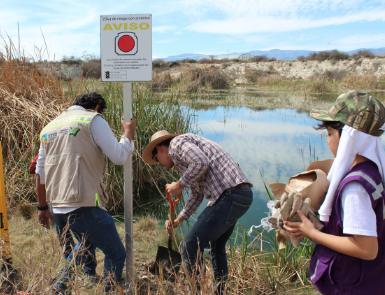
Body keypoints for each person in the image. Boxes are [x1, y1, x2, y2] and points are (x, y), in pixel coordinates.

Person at [284, 90, 385, 294]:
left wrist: (312, 233)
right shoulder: (371, 172)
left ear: (349, 137)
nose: (327, 140)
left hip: (351, 284)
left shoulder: (355, 187)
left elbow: (367, 249)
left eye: (330, 134)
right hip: (369, 279)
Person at [36, 92, 136, 294]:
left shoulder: (49, 127)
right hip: (83, 205)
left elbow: (40, 173)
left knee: (83, 245)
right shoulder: (93, 120)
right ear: (97, 107)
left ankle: (59, 288)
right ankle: (111, 290)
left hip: (57, 206)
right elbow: (118, 156)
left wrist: (42, 208)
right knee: (115, 254)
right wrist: (128, 135)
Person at [143, 130, 253, 294]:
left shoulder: (176, 144)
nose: (159, 164)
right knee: (216, 246)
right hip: (240, 195)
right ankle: (217, 291)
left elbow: (201, 162)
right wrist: (178, 220)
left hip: (229, 195)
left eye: (157, 160)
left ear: (159, 149)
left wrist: (179, 185)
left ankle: (199, 291)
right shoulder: (183, 159)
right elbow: (196, 194)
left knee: (189, 246)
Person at [31, 155, 97, 280]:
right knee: (73, 238)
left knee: (84, 238)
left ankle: (86, 273)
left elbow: (38, 170)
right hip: (59, 197)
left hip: (73, 196)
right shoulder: (50, 141)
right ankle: (73, 275)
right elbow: (37, 169)